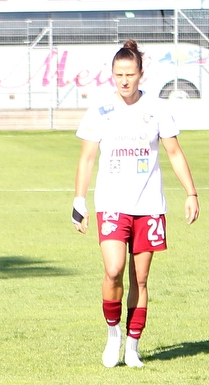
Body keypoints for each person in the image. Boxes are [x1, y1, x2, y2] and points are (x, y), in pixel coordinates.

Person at [73, 40, 199, 368]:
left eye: (130, 74)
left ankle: (133, 345)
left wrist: (191, 193)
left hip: (150, 207)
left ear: (141, 74)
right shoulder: (100, 110)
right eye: (118, 75)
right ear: (112, 76)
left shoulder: (157, 109)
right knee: (113, 270)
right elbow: (87, 159)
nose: (124, 80)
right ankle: (113, 333)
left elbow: (173, 152)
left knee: (140, 280)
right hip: (112, 204)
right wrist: (78, 201)